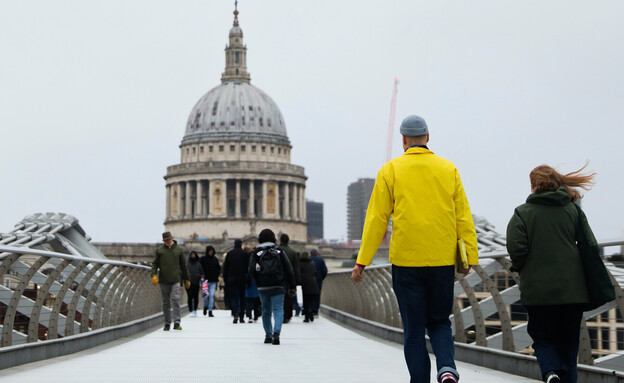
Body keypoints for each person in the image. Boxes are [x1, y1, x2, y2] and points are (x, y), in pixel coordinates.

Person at [351, 115, 478, 383]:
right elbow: (463, 217)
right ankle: (447, 368)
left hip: (407, 262)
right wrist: (469, 257)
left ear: (404, 140)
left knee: (413, 329)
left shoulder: (390, 170)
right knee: (440, 321)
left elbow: (377, 219)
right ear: (428, 139)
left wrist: (362, 261)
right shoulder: (448, 169)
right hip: (442, 260)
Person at [506, 164, 597, 383]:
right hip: (572, 290)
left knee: (542, 337)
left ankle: (550, 372)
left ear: (533, 185)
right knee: (569, 344)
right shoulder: (573, 210)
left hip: (538, 291)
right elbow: (590, 245)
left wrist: (523, 268)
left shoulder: (522, 213)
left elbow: (516, 248)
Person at [248, 228, 295, 345]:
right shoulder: (279, 251)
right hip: (278, 285)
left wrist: (258, 280)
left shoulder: (257, 252)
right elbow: (289, 269)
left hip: (263, 286)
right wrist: (291, 285)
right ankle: (276, 333)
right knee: (278, 309)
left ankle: (268, 335)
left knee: (266, 310)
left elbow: (251, 269)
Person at [151, 231, 191, 331]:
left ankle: (177, 322)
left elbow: (183, 266)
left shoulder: (179, 250)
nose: (168, 241)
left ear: (172, 238)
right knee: (165, 302)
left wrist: (187, 279)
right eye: (165, 240)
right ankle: (167, 323)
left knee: (176, 299)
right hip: (163, 280)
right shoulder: (159, 250)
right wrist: (154, 275)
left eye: (169, 239)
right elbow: (155, 264)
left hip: (175, 280)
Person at [222, 238, 249, 323]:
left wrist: (226, 280)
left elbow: (225, 268)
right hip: (242, 279)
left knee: (233, 298)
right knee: (242, 298)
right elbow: (248, 268)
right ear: (241, 244)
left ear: (234, 244)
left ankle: (235, 313)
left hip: (232, 280)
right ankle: (241, 316)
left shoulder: (229, 254)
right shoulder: (245, 254)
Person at [277, 233, 301, 323]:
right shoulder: (292, 252)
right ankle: (288, 315)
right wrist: (297, 281)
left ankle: (280, 314)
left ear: (280, 240)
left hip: (278, 278)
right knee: (288, 297)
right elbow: (296, 268)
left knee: (278, 297)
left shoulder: (276, 250)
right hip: (289, 278)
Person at [200, 245, 221, 316]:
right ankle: (206, 306)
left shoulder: (215, 259)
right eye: (210, 251)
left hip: (213, 281)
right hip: (205, 281)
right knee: (206, 296)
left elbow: (219, 269)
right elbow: (200, 269)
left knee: (211, 295)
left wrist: (216, 275)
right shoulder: (202, 259)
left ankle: (210, 310)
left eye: (212, 251)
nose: (211, 252)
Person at [298, 251, 319, 323]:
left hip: (304, 284)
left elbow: (298, 273)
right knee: (311, 300)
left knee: (306, 301)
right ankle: (311, 311)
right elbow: (315, 272)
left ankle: (306, 317)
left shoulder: (299, 263)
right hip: (312, 283)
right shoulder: (312, 263)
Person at [244, 247, 261, 323]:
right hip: (255, 282)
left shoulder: (246, 260)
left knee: (249, 300)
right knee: (256, 300)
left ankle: (249, 315)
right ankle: (256, 315)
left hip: (248, 281)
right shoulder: (258, 260)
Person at [309, 249, 327, 315]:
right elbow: (325, 271)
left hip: (308, 281)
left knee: (308, 295)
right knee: (317, 295)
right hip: (318, 280)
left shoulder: (308, 259)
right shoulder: (321, 260)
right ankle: (315, 310)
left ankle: (309, 309)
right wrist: (321, 278)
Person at [186, 250, 203, 317]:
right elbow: (183, 274)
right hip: (189, 283)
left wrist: (201, 277)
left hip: (196, 282)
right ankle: (190, 309)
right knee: (190, 296)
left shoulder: (198, 265)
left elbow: (202, 273)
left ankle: (195, 309)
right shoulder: (187, 265)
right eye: (192, 255)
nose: (193, 256)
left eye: (194, 255)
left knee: (196, 297)